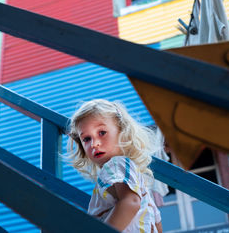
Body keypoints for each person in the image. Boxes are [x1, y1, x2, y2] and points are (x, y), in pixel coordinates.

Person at [67, 99, 163, 232]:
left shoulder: (116, 163)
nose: (94, 144)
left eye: (102, 133)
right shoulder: (133, 177)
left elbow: (130, 202)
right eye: (87, 139)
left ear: (121, 132)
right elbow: (157, 222)